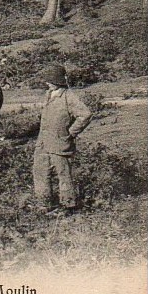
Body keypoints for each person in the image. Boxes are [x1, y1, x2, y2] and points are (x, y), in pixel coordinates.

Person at [33, 64, 93, 216]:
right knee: (40, 172)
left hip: (60, 143)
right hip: (43, 142)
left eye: (50, 80)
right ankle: (44, 204)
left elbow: (85, 115)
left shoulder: (68, 96)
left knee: (63, 174)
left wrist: (71, 132)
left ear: (58, 81)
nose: (47, 83)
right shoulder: (48, 94)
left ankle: (68, 206)